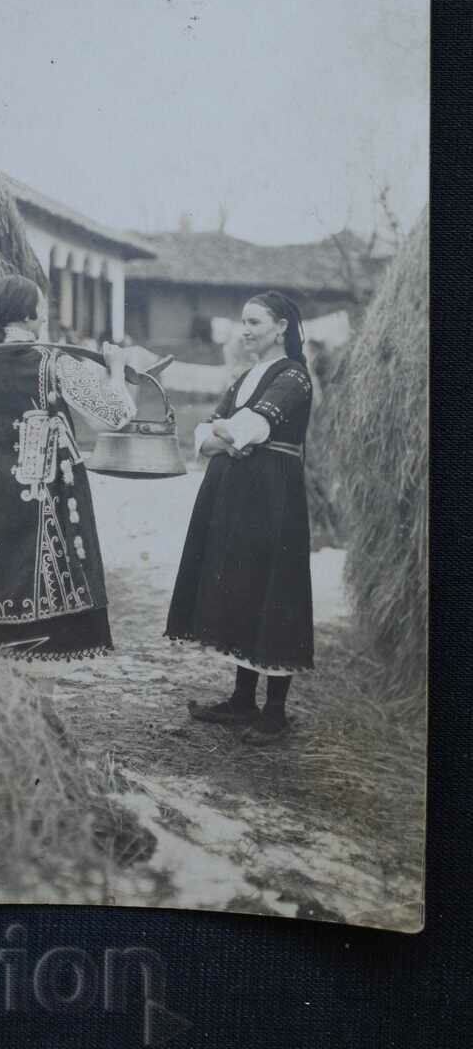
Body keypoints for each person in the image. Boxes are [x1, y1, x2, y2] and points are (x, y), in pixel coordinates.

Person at [0, 274, 135, 662]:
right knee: (43, 637)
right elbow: (115, 416)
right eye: (42, 306)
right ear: (30, 315)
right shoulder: (54, 363)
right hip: (43, 500)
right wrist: (115, 370)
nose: (44, 314)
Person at [165, 290, 314, 741]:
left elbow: (249, 428)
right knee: (241, 582)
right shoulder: (249, 375)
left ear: (282, 326)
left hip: (272, 493)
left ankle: (274, 712)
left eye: (254, 322)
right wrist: (230, 435)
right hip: (236, 492)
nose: (245, 330)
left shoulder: (294, 376)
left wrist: (232, 434)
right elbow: (204, 434)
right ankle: (242, 700)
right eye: (243, 323)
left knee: (273, 586)